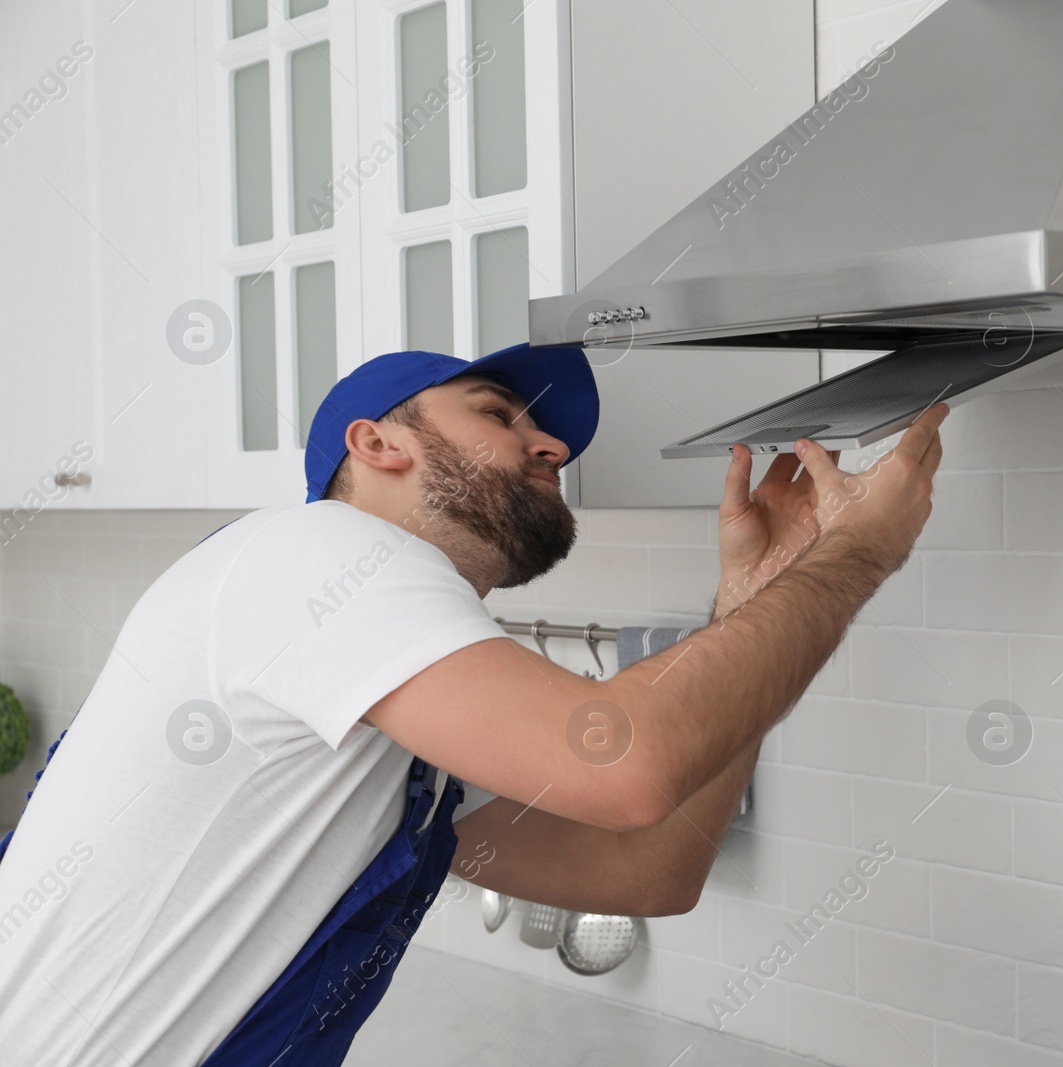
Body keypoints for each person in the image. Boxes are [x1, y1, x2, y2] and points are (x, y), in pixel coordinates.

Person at [0, 341, 946, 1064]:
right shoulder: (320, 554)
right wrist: (855, 553)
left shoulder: (388, 726)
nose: (554, 443)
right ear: (376, 444)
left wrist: (758, 587)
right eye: (499, 411)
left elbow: (647, 872)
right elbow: (630, 765)